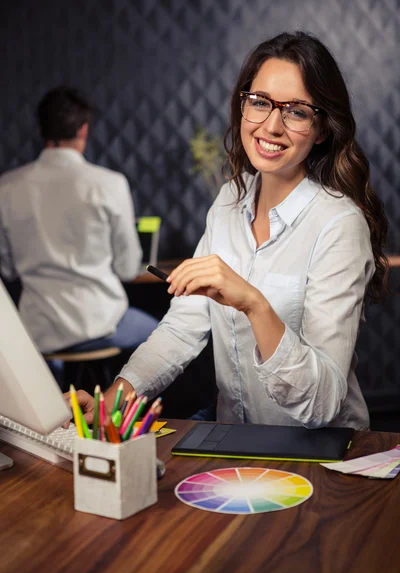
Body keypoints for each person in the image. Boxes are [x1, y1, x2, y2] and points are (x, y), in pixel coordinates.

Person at [68, 31, 388, 430]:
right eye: (259, 103)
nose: (272, 126)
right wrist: (111, 406)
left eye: (297, 111)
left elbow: (321, 405)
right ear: (243, 107)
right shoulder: (227, 204)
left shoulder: (339, 225)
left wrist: (254, 303)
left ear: (321, 128)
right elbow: (182, 328)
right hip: (235, 442)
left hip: (321, 457)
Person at [0, 86, 158, 386]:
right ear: (84, 130)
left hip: (38, 332)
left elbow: (6, 269)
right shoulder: (109, 184)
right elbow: (127, 269)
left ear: (41, 129)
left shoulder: (6, 188)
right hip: (101, 324)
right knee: (163, 336)